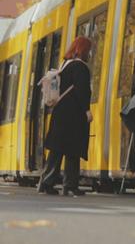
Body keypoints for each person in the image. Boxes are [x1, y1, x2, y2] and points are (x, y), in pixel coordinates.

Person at [37, 36, 93, 196]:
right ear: (84, 50)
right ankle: (70, 185)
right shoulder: (80, 67)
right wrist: (86, 110)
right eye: (89, 49)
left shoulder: (65, 65)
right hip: (73, 115)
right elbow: (82, 91)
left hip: (60, 113)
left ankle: (46, 182)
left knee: (57, 150)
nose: (90, 53)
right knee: (73, 151)